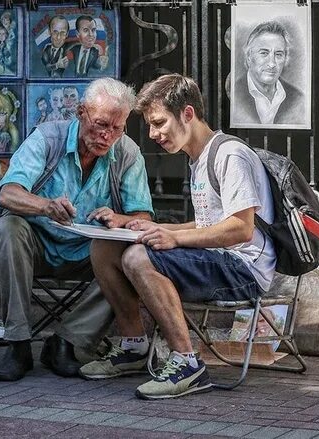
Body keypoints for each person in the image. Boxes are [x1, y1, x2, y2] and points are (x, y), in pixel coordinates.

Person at [79, 74, 276, 400]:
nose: (154, 134)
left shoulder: (229, 155)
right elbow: (207, 224)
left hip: (244, 270)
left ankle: (187, 364)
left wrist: (174, 240)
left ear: (187, 113)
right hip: (219, 258)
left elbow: (241, 229)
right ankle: (134, 347)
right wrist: (136, 225)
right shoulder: (199, 157)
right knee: (106, 246)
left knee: (138, 257)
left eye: (159, 123)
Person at [0, 77, 154, 382]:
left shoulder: (127, 153)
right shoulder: (48, 138)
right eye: (100, 124)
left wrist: (119, 218)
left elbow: (142, 215)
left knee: (135, 257)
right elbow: (8, 193)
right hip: (37, 247)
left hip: (91, 255)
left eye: (116, 128)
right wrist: (45, 206)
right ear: (80, 111)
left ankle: (66, 341)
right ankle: (18, 344)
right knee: (8, 228)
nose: (106, 135)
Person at [232, 20, 306, 126]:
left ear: (285, 58)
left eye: (278, 54)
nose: (272, 64)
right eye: (264, 53)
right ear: (249, 57)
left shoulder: (298, 99)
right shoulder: (233, 93)